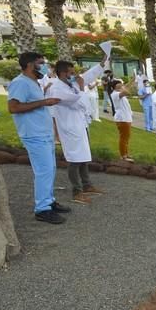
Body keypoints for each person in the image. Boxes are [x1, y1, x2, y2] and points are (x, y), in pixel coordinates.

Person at [7, 52, 70, 224]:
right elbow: (13, 107)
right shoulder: (20, 83)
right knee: (44, 171)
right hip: (34, 134)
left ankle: (48, 201)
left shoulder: (33, 82)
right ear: (29, 64)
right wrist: (44, 102)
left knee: (49, 169)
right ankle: (42, 209)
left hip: (43, 133)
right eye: (41, 63)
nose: (44, 66)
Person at [49, 59, 106, 205]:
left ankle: (87, 185)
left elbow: (88, 75)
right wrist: (81, 88)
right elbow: (79, 103)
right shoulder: (57, 88)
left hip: (80, 125)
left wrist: (102, 62)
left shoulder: (70, 83)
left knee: (84, 156)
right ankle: (77, 191)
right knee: (75, 160)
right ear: (62, 73)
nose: (75, 75)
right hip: (70, 128)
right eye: (71, 73)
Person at [110, 80, 134, 162]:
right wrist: (123, 86)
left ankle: (126, 154)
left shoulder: (119, 92)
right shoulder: (115, 94)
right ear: (114, 86)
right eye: (118, 83)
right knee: (123, 138)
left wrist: (132, 81)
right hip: (122, 119)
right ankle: (123, 155)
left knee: (126, 137)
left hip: (126, 118)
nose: (120, 84)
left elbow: (126, 88)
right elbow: (127, 92)